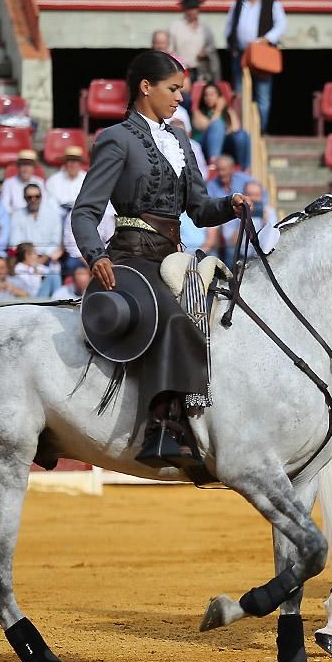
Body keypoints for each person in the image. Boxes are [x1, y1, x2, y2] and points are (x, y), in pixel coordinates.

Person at [70, 49, 248, 468]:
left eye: (182, 91)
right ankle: (162, 426)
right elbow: (85, 212)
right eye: (173, 89)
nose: (180, 98)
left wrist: (230, 205)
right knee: (173, 318)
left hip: (173, 256)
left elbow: (200, 209)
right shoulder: (117, 138)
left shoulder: (181, 139)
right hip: (130, 257)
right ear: (145, 87)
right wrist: (95, 255)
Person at [224, 0, 284, 131]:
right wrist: (232, 46)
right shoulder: (238, 4)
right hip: (242, 54)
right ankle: (241, 128)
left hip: (262, 53)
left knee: (262, 95)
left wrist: (267, 39)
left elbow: (281, 25)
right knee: (240, 93)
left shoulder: (272, 3)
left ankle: (260, 131)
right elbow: (229, 27)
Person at [10, 180, 62, 281]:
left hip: (47, 258)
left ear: (41, 197)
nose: (33, 199)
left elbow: (55, 241)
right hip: (24, 259)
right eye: (30, 197)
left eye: (37, 196)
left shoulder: (53, 214)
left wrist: (41, 260)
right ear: (25, 198)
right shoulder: (17, 215)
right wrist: (29, 259)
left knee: (54, 276)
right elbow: (15, 242)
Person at [190, 80, 249, 163]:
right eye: (206, 95)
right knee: (216, 125)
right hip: (203, 145)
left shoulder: (228, 112)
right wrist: (218, 111)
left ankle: (244, 168)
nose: (208, 97)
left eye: (212, 95)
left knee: (242, 135)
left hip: (224, 145)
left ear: (219, 97)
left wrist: (227, 112)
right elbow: (208, 128)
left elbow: (236, 130)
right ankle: (214, 161)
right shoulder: (198, 112)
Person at [169, 0, 218, 83]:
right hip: (182, 70)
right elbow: (170, 50)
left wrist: (206, 52)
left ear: (198, 9)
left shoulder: (205, 28)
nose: (192, 11)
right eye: (189, 8)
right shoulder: (175, 27)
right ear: (184, 9)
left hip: (201, 71)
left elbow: (212, 48)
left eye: (194, 8)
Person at [0, 148, 47, 213]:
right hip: (14, 218)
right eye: (23, 164)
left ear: (34, 168)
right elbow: (5, 205)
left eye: (29, 165)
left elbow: (44, 203)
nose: (26, 169)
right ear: (18, 166)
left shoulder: (40, 182)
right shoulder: (8, 183)